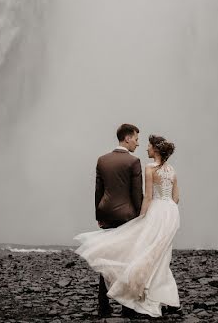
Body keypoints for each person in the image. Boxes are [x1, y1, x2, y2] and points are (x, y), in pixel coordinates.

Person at [75, 132, 181, 318]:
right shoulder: (146, 164)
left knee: (111, 251)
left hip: (114, 212)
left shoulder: (103, 160)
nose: (141, 145)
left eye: (146, 144)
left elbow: (100, 190)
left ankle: (105, 305)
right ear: (128, 138)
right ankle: (132, 306)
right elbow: (169, 197)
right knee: (156, 256)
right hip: (167, 213)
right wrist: (137, 215)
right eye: (137, 139)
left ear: (155, 149)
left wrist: (101, 214)